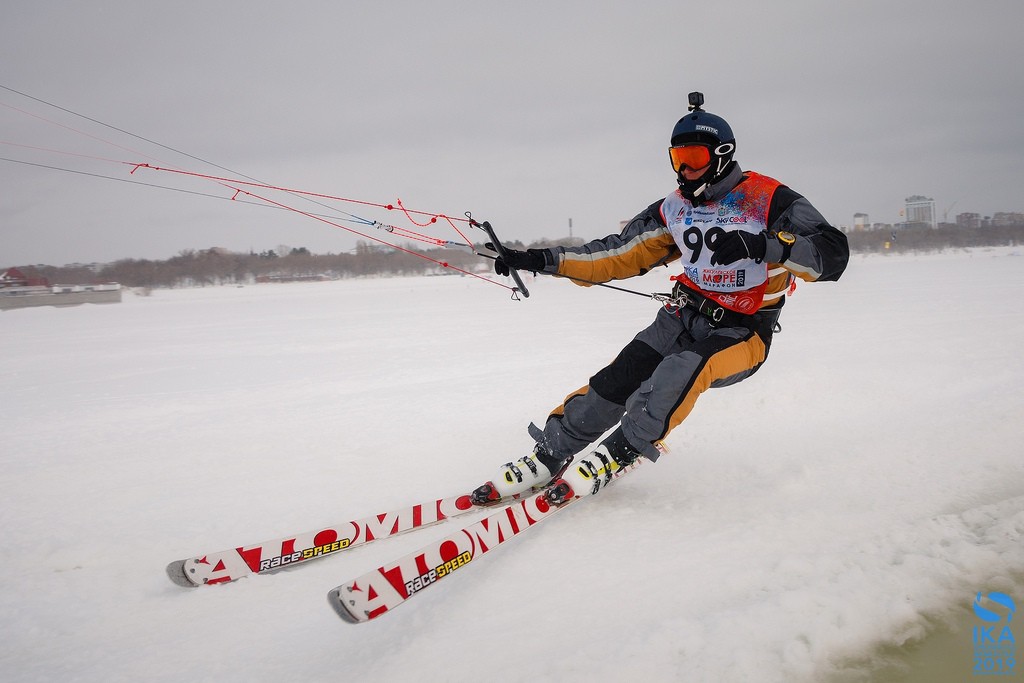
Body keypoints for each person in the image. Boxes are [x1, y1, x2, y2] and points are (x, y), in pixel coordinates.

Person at [471, 92, 850, 505]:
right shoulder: (675, 209)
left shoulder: (770, 199)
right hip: (682, 316)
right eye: (677, 159)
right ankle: (551, 452)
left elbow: (832, 255)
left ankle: (621, 450)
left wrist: (768, 246)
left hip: (744, 331)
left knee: (679, 371)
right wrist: (539, 259)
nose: (685, 170)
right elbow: (616, 253)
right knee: (618, 378)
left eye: (695, 158)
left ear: (722, 154)